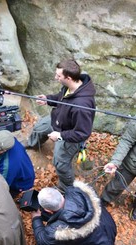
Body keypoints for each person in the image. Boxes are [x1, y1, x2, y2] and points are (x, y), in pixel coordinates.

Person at [27, 59, 96, 191]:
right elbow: (61, 97)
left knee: (60, 163)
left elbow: (82, 133)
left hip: (68, 134)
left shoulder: (82, 106)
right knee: (39, 128)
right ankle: (32, 144)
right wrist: (48, 99)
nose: (55, 78)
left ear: (68, 78)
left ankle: (67, 189)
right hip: (59, 119)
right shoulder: (70, 87)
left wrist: (59, 135)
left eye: (58, 76)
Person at [31, 182, 117, 245]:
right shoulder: (79, 191)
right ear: (60, 194)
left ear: (48, 210)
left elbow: (42, 240)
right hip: (108, 229)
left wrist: (36, 218)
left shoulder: (56, 231)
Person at [0, 130, 35, 198]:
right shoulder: (8, 140)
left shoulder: (7, 166)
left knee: (4, 194)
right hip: (22, 168)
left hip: (21, 183)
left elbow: (1, 186)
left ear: (1, 151)